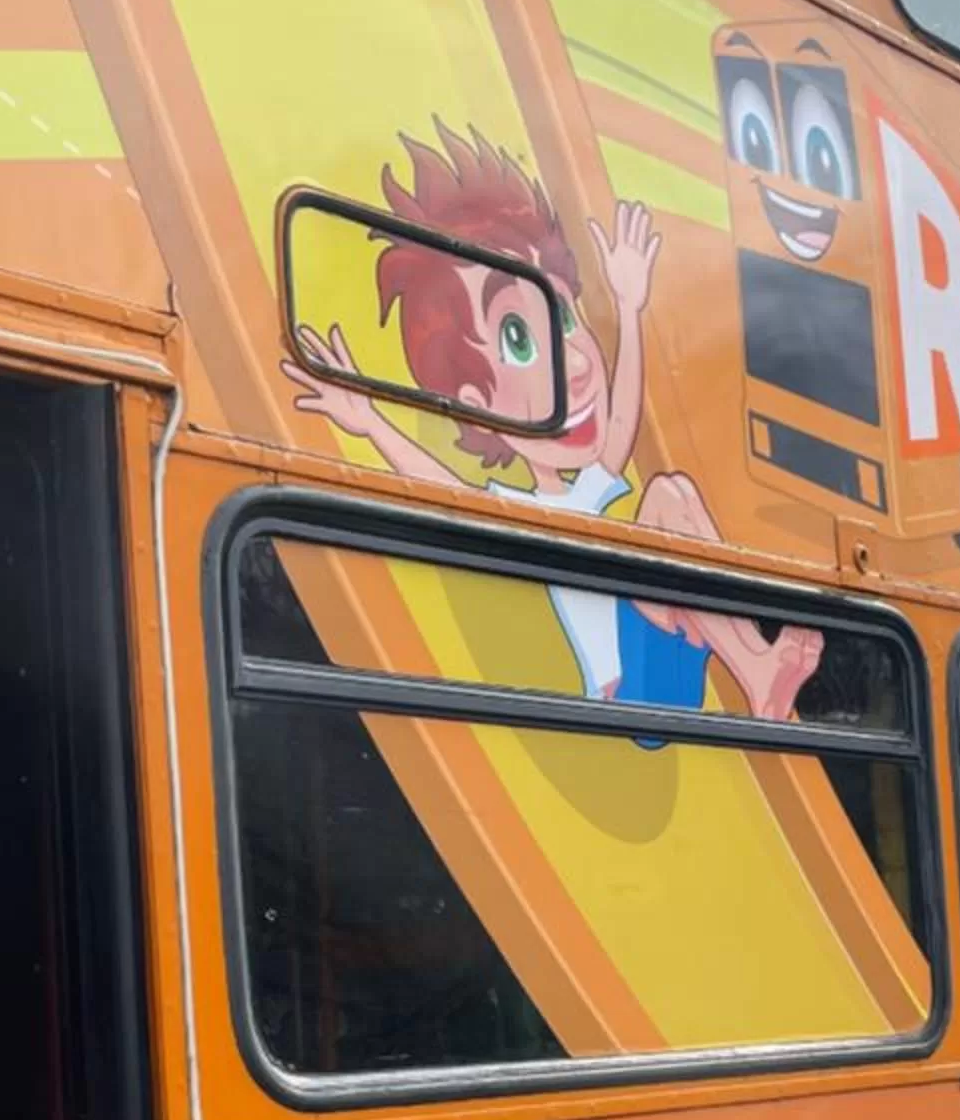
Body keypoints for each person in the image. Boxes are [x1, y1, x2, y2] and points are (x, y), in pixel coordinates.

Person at [282, 121, 819, 721]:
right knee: (667, 503)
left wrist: (628, 308)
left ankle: (753, 667)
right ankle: (758, 673)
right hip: (629, 690)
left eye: (563, 319)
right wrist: (371, 422)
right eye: (518, 338)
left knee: (676, 498)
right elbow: (441, 486)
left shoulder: (589, 489)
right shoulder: (517, 507)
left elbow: (619, 424)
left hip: (667, 658)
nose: (579, 363)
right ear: (470, 400)